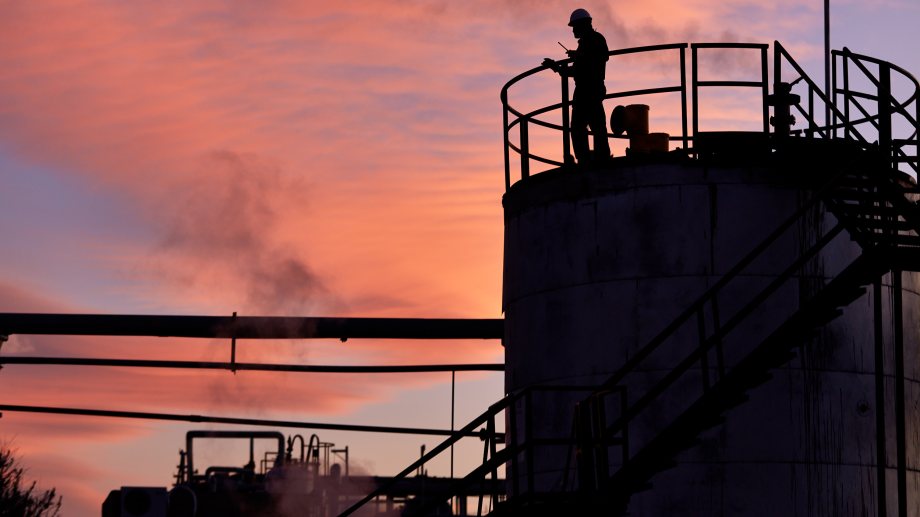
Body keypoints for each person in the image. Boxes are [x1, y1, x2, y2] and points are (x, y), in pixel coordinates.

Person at [543, 8, 610, 167]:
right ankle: (599, 159)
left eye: (574, 26)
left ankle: (590, 160)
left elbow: (589, 64)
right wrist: (570, 60)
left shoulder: (593, 40)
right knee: (594, 127)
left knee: (582, 128)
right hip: (590, 90)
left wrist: (561, 66)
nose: (573, 30)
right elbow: (586, 64)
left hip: (588, 91)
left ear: (583, 25)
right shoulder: (591, 41)